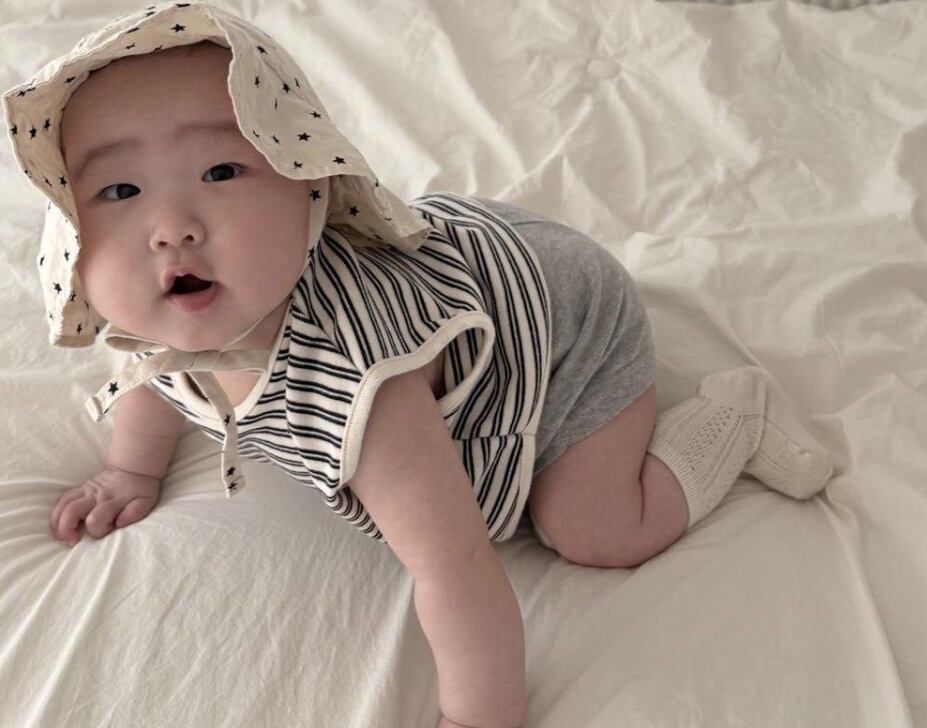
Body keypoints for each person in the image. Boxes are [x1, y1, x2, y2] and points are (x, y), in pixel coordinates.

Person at [3, 4, 834, 727]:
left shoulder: (368, 381)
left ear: (310, 185)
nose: (172, 227)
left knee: (599, 531)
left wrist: (478, 714)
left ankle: (734, 416)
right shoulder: (166, 310)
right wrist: (130, 470)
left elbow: (454, 565)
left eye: (222, 170)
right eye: (119, 193)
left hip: (563, 320)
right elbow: (158, 373)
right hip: (475, 257)